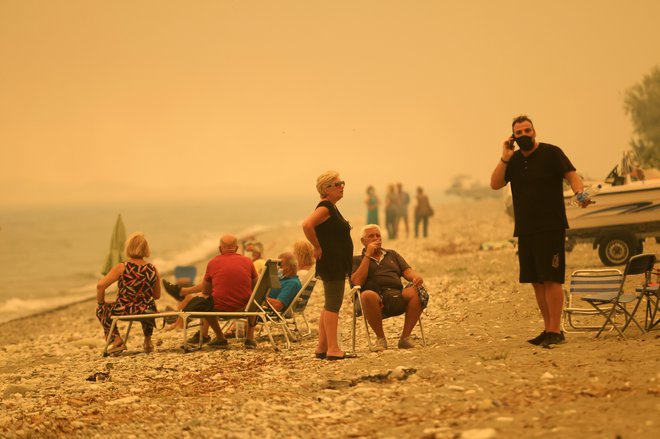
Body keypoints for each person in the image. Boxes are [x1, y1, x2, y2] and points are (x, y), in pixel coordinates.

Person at [490, 115, 588, 348]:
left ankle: (556, 330)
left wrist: (580, 194)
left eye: (527, 131)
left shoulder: (552, 153)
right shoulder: (512, 161)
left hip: (551, 226)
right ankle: (547, 329)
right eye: (519, 133)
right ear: (513, 137)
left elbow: (572, 175)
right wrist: (504, 157)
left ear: (534, 132)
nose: (524, 135)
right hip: (525, 229)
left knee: (551, 278)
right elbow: (495, 184)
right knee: (536, 281)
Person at [302, 170, 356, 360]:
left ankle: (322, 346)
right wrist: (316, 246)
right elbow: (307, 225)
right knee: (334, 305)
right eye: (337, 184)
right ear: (325, 189)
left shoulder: (331, 207)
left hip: (336, 262)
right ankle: (333, 349)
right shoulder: (325, 207)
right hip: (332, 263)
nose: (341, 187)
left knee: (329, 305)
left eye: (342, 183)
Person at [178, 234, 259, 349]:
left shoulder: (212, 263)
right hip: (245, 308)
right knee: (254, 298)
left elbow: (206, 291)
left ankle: (220, 337)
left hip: (220, 309)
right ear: (236, 248)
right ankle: (250, 339)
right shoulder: (247, 261)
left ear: (220, 249)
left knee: (205, 301)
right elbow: (256, 286)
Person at [350, 224, 424, 350]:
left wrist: (415, 277)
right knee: (367, 295)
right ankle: (381, 339)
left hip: (395, 294)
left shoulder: (392, 254)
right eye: (371, 236)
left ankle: (405, 338)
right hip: (372, 299)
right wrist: (368, 255)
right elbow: (357, 281)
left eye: (378, 236)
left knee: (417, 291)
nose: (375, 238)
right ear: (363, 241)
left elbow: (407, 271)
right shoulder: (356, 260)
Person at [96, 232, 161, 354]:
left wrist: (102, 303)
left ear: (129, 248)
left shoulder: (122, 267)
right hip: (146, 310)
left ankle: (116, 339)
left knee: (101, 309)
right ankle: (148, 341)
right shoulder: (153, 268)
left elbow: (100, 286)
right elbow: (156, 296)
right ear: (146, 249)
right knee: (149, 304)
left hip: (125, 309)